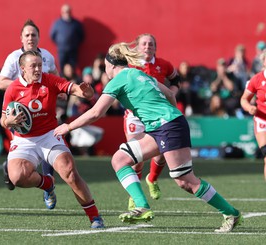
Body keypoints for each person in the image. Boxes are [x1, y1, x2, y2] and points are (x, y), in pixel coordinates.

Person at [54, 42, 243, 232]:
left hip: (167, 127)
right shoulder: (139, 73)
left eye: (105, 66)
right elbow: (169, 93)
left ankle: (231, 213)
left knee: (185, 180)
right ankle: (142, 206)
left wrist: (68, 126)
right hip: (165, 126)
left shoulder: (117, 80)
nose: (106, 71)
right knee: (120, 159)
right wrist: (169, 115)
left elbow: (96, 112)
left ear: (111, 66)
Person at [0, 50, 104, 228]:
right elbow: (3, 119)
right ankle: (47, 184)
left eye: (40, 65)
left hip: (49, 135)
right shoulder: (13, 89)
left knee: (70, 173)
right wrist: (8, 121)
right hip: (24, 139)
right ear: (22, 68)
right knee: (17, 177)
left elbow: (73, 89)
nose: (38, 69)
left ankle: (95, 217)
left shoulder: (50, 80)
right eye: (33, 66)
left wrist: (86, 92)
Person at [0, 19, 60, 208]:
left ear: (39, 37)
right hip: (21, 115)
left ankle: (48, 185)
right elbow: (0, 83)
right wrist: (24, 85)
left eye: (34, 35)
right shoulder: (14, 57)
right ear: (21, 38)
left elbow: (55, 76)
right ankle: (16, 171)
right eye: (27, 35)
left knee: (49, 150)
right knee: (23, 154)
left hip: (44, 110)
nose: (31, 38)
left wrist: (60, 91)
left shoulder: (47, 56)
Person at [125, 34, 181, 211]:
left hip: (157, 114)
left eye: (151, 44)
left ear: (155, 47)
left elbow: (176, 80)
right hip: (135, 115)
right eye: (144, 43)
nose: (147, 46)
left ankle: (152, 179)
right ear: (137, 46)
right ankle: (135, 197)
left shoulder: (164, 64)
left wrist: (171, 93)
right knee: (136, 158)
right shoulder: (130, 64)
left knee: (161, 153)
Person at [241, 49, 266, 181]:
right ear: (264, 61)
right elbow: (244, 99)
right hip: (263, 121)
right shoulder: (257, 79)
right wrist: (249, 107)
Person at [50, 4, 84, 74]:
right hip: (62, 51)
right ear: (62, 12)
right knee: (61, 69)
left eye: (68, 11)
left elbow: (81, 35)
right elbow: (52, 35)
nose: (67, 13)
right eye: (65, 12)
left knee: (73, 69)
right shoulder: (57, 23)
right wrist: (60, 43)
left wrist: (75, 43)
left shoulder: (76, 23)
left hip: (73, 50)